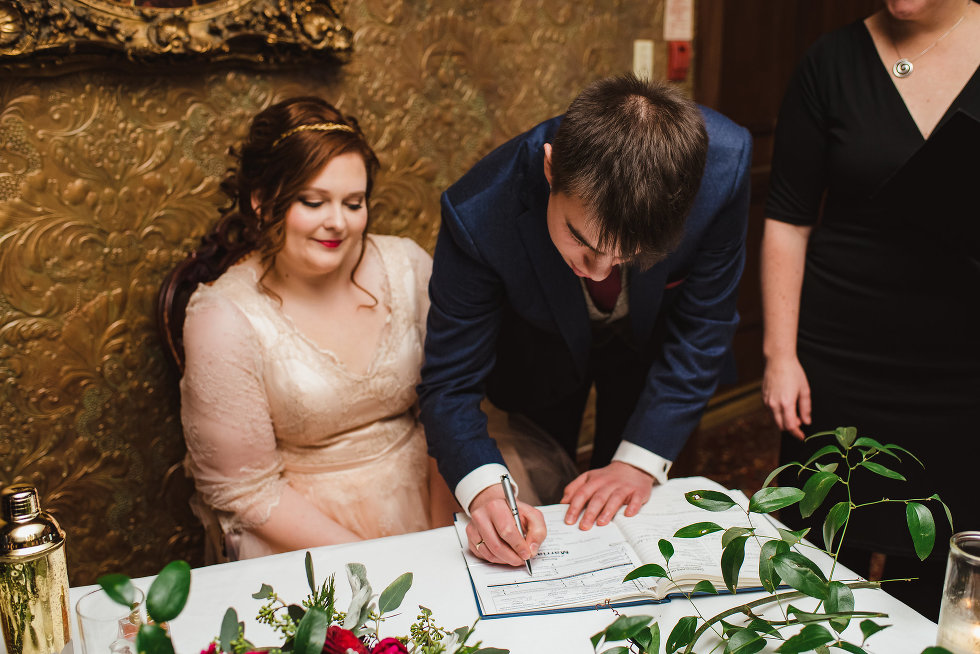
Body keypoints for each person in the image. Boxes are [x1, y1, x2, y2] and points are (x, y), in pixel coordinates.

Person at [418, 74, 752, 568]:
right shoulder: (479, 212)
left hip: (655, 357)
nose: (598, 270)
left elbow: (704, 326)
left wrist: (639, 460)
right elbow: (448, 382)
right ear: (552, 170)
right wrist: (486, 491)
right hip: (538, 352)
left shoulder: (723, 166)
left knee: (645, 522)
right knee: (553, 511)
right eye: (583, 242)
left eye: (627, 255)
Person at [761, 0, 980, 619]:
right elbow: (787, 220)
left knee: (941, 569)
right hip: (839, 359)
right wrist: (780, 356)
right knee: (815, 562)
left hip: (962, 372)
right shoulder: (829, 62)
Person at [179, 97, 457, 561]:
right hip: (302, 530)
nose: (338, 223)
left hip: (431, 488)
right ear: (263, 201)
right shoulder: (222, 317)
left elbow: (447, 401)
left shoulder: (407, 266)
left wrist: (439, 534)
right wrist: (376, 560)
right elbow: (247, 490)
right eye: (314, 201)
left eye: (354, 203)